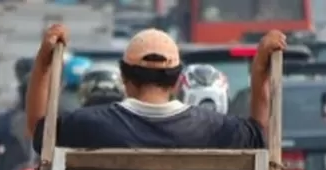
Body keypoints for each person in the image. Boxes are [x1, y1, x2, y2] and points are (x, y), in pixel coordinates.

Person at [26, 24, 283, 152]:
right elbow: (261, 134)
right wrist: (260, 70)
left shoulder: (89, 124)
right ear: (176, 81)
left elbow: (39, 129)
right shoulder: (215, 127)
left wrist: (44, 64)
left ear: (124, 79)